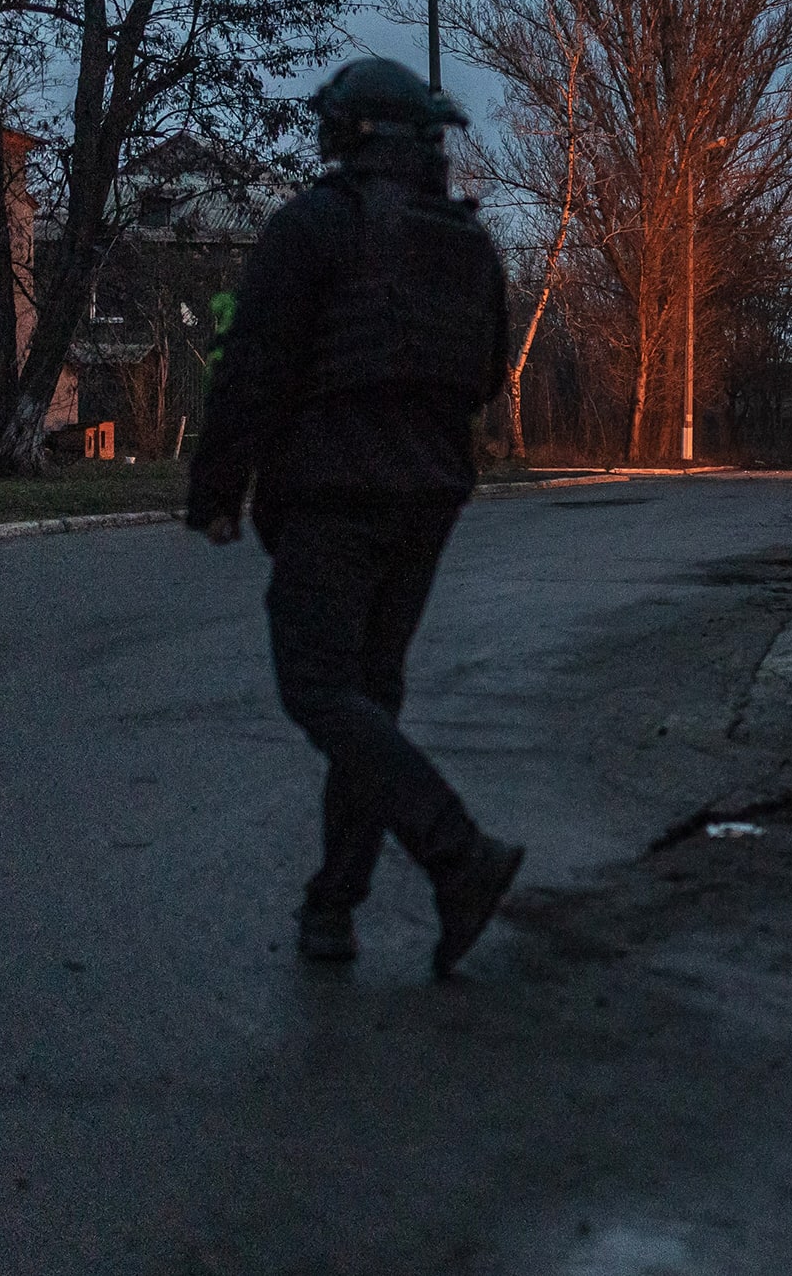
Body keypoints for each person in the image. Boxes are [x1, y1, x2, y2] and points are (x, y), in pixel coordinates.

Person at [186, 56, 524, 978]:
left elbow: (254, 366)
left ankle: (459, 855)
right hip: (430, 498)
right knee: (366, 698)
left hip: (335, 495)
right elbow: (487, 374)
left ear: (354, 136)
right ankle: (332, 907)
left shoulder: (314, 228)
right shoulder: (469, 245)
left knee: (319, 689)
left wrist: (217, 490)